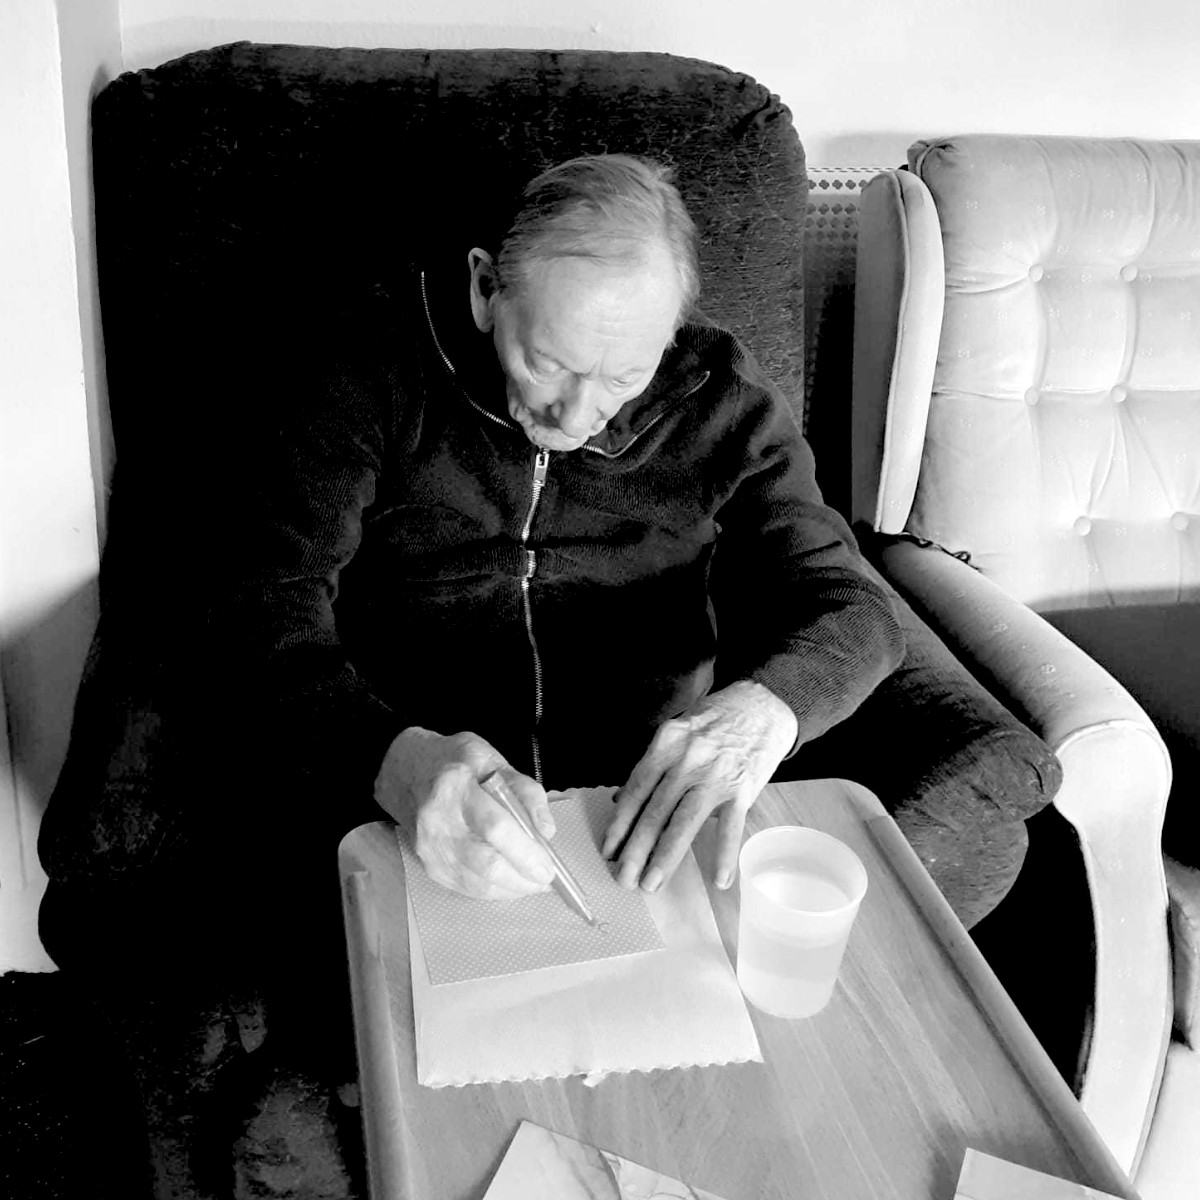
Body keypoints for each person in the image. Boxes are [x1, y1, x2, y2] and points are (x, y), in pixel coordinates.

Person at [243, 152, 906, 903]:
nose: (576, 415)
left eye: (623, 377)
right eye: (547, 363)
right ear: (486, 289)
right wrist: (387, 758)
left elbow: (857, 607)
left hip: (635, 799)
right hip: (414, 792)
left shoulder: (722, 397)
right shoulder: (374, 369)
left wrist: (765, 712)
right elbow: (262, 601)